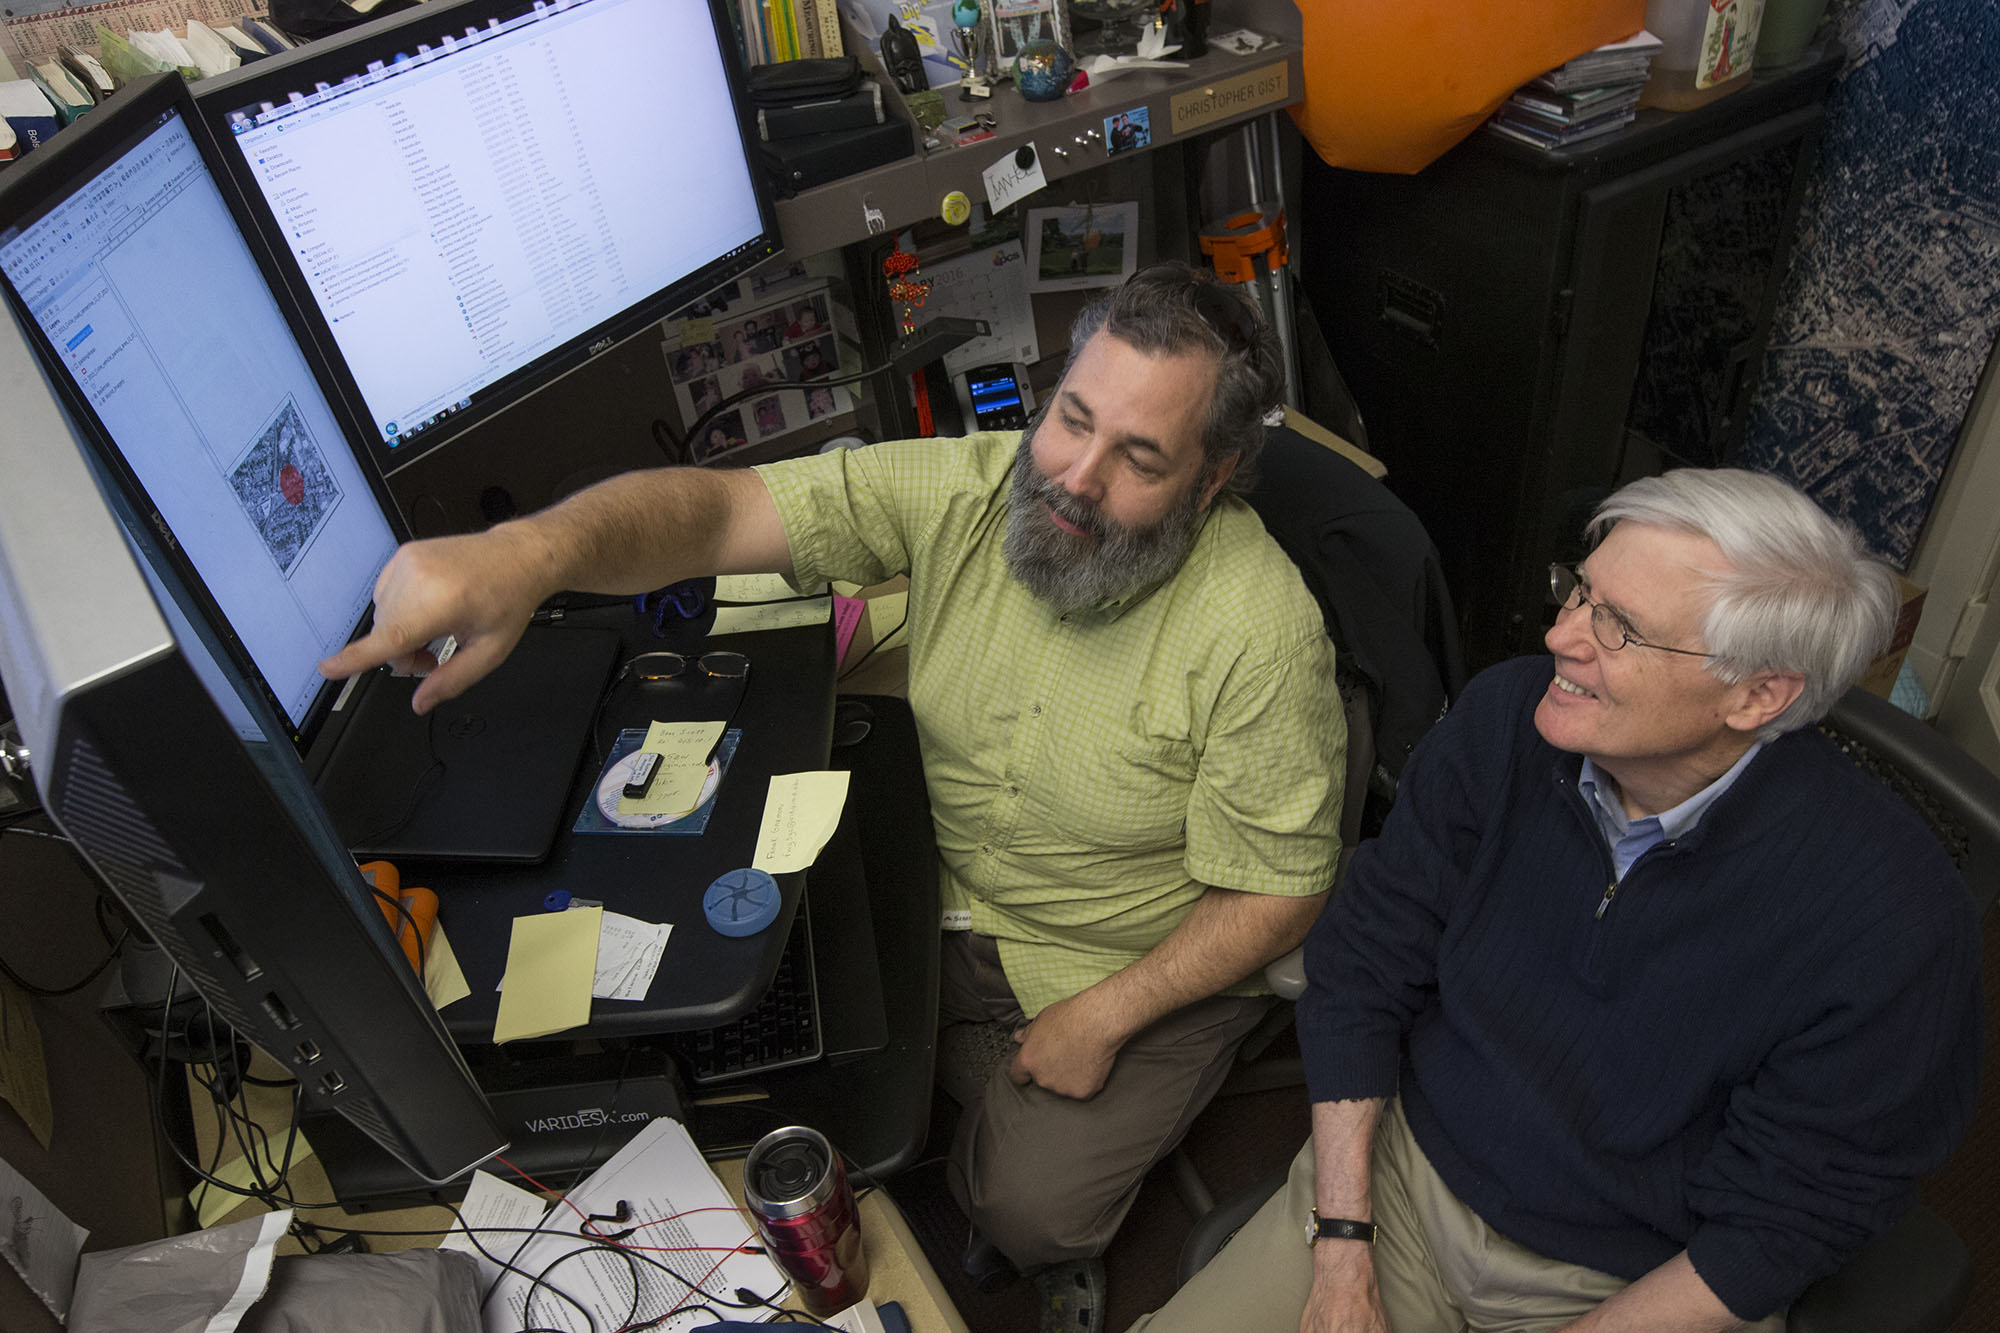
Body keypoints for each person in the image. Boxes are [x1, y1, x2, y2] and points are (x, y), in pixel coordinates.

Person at [320, 263, 1346, 1332]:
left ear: (1213, 475)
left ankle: (1095, 1076)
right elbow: (718, 515)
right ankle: (973, 1064)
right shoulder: (975, 484)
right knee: (765, 1049)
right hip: (945, 883)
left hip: (1118, 953)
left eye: (1137, 458)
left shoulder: (1259, 633)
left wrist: (1107, 1014)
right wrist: (524, 556)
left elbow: (1278, 892)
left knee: (1024, 1210)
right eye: (1070, 419)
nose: (1074, 477)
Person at [1133, 469, 1983, 1333]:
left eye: (1619, 628)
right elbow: (1362, 966)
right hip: (1403, 1179)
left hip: (1631, 1280)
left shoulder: (1895, 924)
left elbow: (1782, 1226)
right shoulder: (1507, 719)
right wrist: (1344, 1243)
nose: (1561, 635)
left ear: (1758, 693)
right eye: (1580, 591)